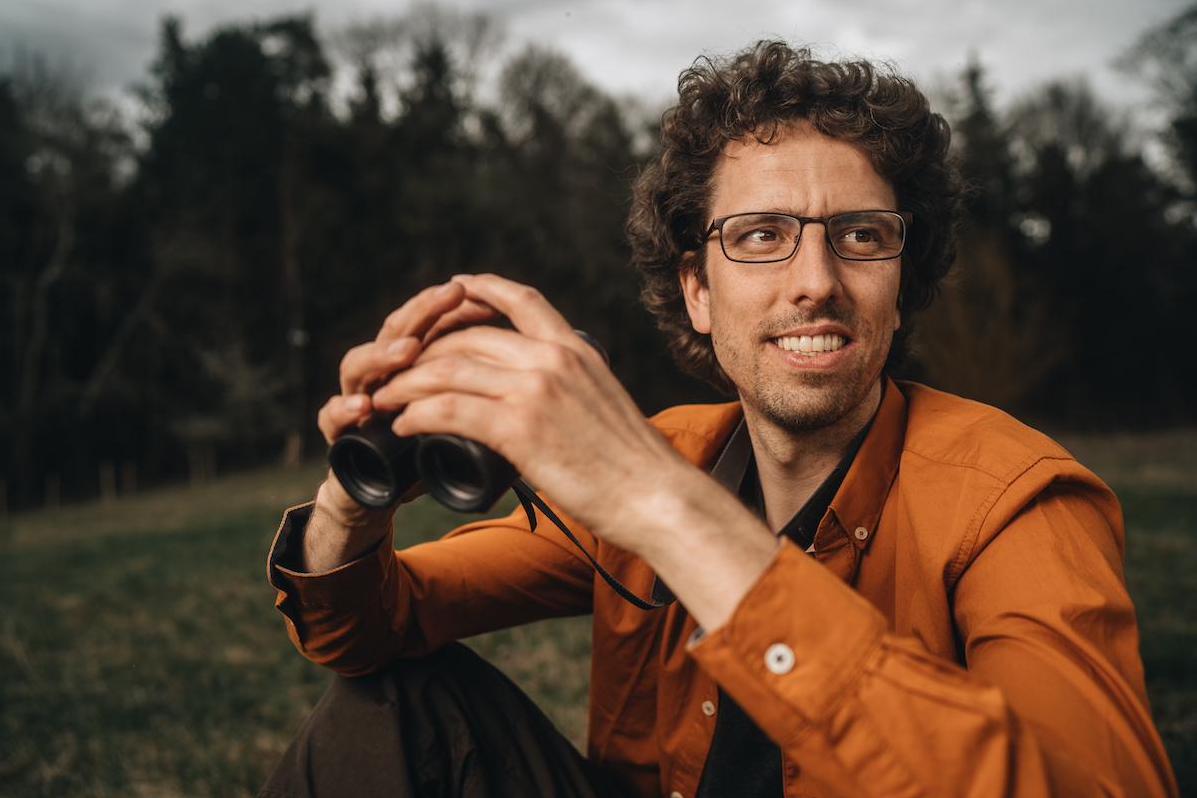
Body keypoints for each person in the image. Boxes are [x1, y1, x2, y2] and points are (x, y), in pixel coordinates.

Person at [260, 42, 1177, 797]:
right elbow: (365, 628)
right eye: (760, 236)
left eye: (861, 235)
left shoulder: (1015, 500)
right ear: (698, 290)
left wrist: (663, 507)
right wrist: (356, 492)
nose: (816, 281)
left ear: (902, 287)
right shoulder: (671, 457)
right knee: (386, 712)